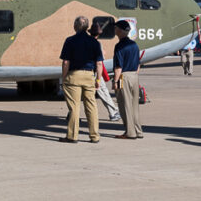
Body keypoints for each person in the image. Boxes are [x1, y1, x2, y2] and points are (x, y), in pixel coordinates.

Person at [59, 15, 104, 143]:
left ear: (75, 26)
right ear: (87, 27)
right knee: (91, 106)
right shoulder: (94, 42)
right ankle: (94, 136)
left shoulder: (70, 41)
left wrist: (64, 77)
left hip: (74, 75)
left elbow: (66, 62)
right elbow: (99, 63)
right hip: (89, 75)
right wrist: (98, 79)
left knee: (74, 107)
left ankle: (72, 136)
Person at [113, 20, 143, 139]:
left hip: (123, 76)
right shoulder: (134, 45)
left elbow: (118, 67)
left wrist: (115, 81)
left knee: (124, 104)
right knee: (134, 105)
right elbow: (138, 64)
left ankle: (130, 132)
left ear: (120, 30)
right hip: (134, 76)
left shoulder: (119, 46)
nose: (115, 31)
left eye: (116, 28)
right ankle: (138, 130)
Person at [89, 22, 121, 122]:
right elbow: (99, 62)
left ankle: (71, 114)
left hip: (84, 71)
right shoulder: (97, 44)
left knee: (82, 94)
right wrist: (98, 79)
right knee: (103, 91)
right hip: (94, 72)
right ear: (98, 34)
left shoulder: (85, 42)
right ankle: (113, 113)